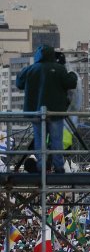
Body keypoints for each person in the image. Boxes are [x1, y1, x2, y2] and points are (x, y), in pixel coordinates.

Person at [15, 44, 77, 173]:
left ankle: (41, 166)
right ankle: (59, 167)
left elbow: (19, 83)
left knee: (39, 141)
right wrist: (72, 74)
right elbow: (71, 83)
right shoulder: (59, 69)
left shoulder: (30, 70)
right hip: (55, 112)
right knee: (56, 141)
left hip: (36, 112)